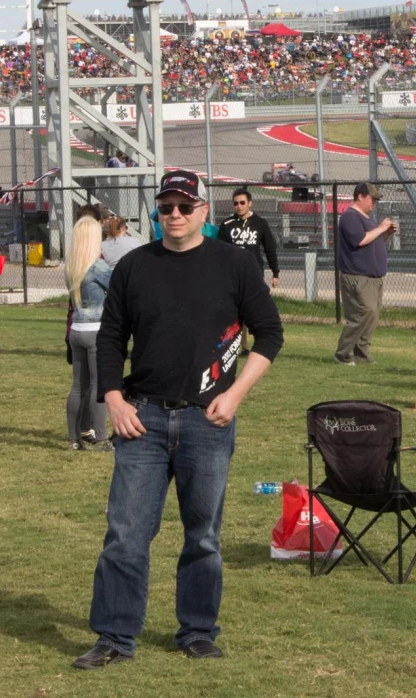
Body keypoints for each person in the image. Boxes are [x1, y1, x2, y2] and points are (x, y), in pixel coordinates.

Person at [73, 170, 283, 669]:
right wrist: (114, 399)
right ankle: (114, 638)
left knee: (204, 536)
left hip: (206, 422)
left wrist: (234, 396)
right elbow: (109, 339)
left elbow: (270, 335)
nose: (174, 215)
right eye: (166, 207)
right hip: (140, 421)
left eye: (185, 207)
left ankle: (197, 631)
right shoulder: (134, 267)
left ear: (204, 211)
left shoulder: (234, 263)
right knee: (125, 534)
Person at [334, 182, 398, 366]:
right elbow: (360, 240)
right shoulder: (350, 217)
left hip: (373, 278)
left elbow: (372, 242)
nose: (374, 204)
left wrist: (386, 234)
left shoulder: (366, 218)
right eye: (372, 199)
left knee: (372, 316)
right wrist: (381, 227)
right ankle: (343, 354)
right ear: (361, 196)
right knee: (362, 314)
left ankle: (361, 354)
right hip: (358, 276)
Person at [65, 215, 114, 452]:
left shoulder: (72, 266)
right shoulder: (97, 266)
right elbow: (117, 289)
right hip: (96, 329)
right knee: (98, 385)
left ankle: (74, 438)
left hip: (76, 329)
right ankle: (102, 438)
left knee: (78, 386)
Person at [218, 188, 280, 355]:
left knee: (253, 309)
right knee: (235, 311)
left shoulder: (260, 223)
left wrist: (275, 273)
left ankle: (260, 342)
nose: (239, 206)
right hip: (231, 274)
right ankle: (240, 346)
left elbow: (270, 249)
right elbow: (220, 251)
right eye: (235, 203)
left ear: (249, 203)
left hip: (254, 273)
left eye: (242, 203)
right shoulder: (226, 225)